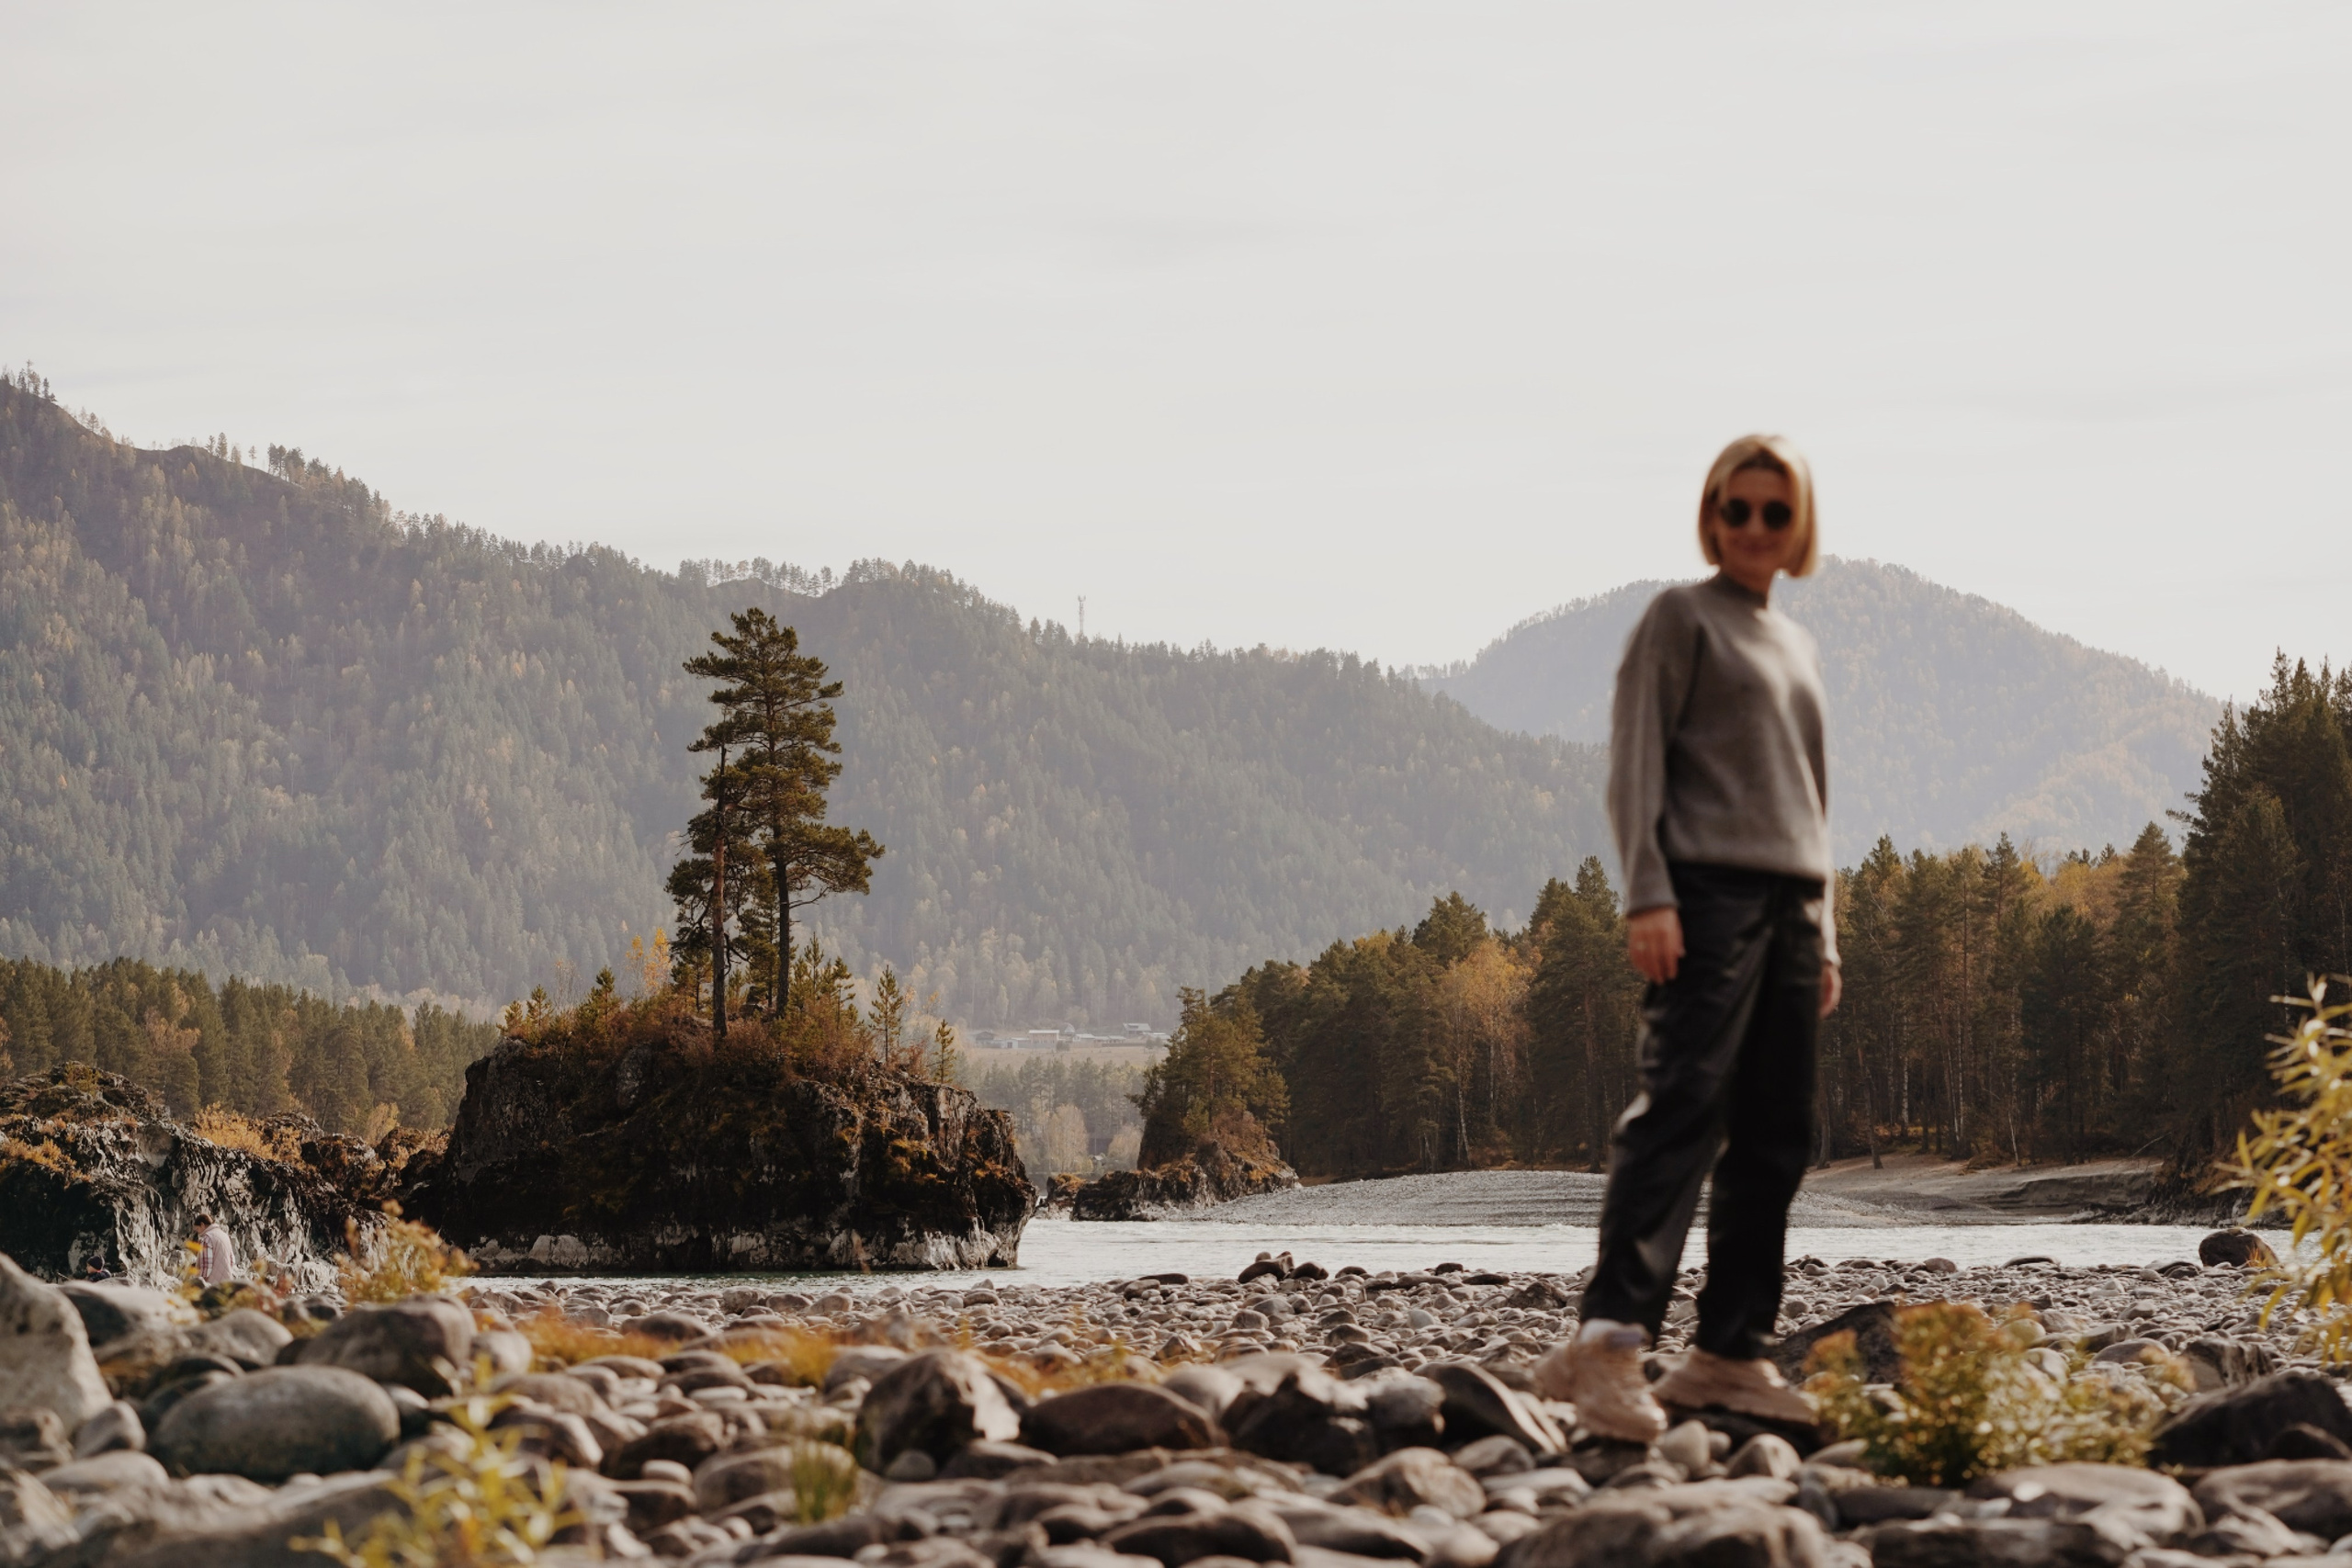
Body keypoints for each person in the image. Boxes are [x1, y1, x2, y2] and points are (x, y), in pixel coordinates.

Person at [1534, 434, 1840, 1442]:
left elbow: (1812, 795)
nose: (1753, 527)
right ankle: (1608, 1344)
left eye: (1773, 512)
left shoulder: (1793, 643)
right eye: (1735, 509)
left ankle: (1728, 1355)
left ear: (1797, 528)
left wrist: (1826, 931)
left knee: (1774, 1136)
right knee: (1679, 1112)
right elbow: (1634, 766)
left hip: (1794, 904)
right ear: (1710, 518)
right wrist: (1646, 895)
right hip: (1702, 896)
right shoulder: (1679, 618)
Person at [194, 1212, 238, 1287]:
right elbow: (232, 1260)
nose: (198, 1232)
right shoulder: (224, 1235)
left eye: (197, 1229)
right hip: (227, 1283)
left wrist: (199, 1282)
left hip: (212, 1285)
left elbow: (206, 1267)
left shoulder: (207, 1238)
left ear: (202, 1225)